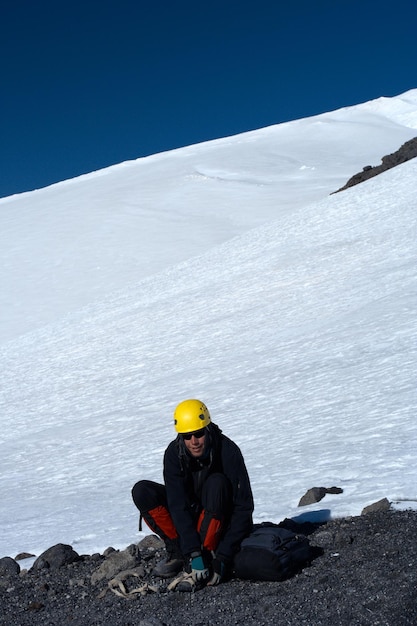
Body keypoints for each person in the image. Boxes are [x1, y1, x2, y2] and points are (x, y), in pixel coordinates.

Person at [131, 399, 254, 590]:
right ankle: (180, 551)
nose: (194, 442)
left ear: (208, 429)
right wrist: (192, 551)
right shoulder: (174, 454)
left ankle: (209, 552)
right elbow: (177, 504)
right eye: (187, 436)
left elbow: (243, 508)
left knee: (217, 483)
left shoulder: (228, 451)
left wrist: (224, 556)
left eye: (199, 434)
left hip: (218, 519)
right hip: (191, 515)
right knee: (142, 491)